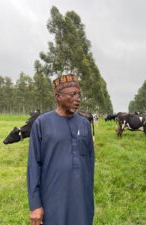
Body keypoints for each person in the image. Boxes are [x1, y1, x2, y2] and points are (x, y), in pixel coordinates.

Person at [27, 74, 95, 225]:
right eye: (73, 94)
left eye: (79, 94)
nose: (78, 98)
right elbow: (33, 166)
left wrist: (89, 197)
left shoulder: (84, 124)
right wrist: (35, 205)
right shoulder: (41, 124)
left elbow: (90, 163)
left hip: (82, 201)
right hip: (53, 200)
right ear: (58, 97)